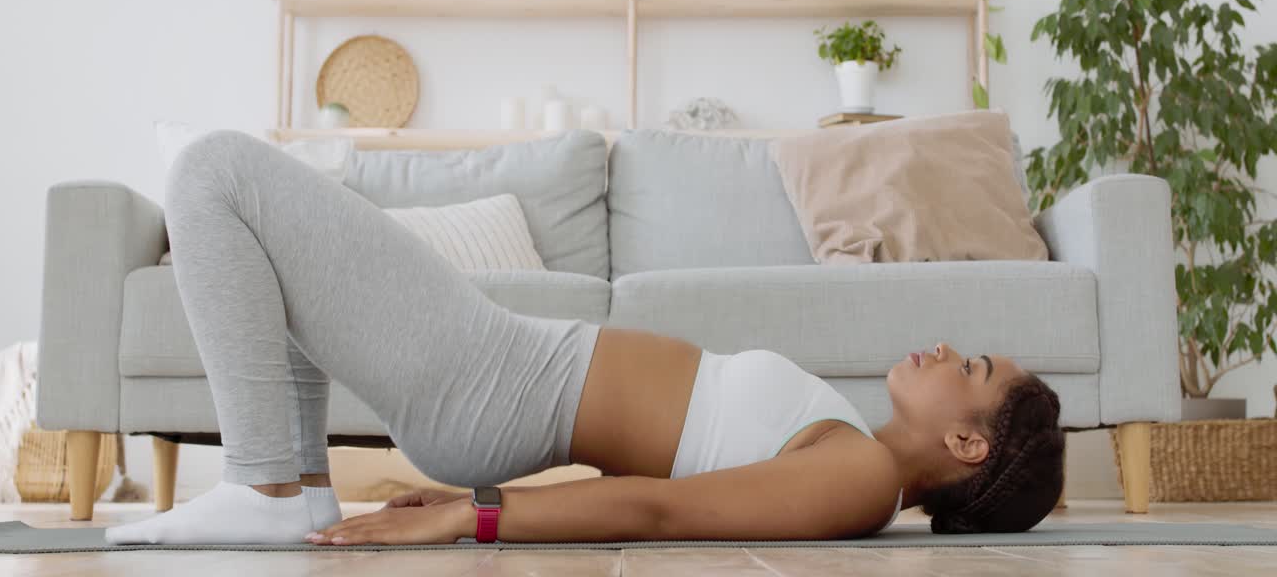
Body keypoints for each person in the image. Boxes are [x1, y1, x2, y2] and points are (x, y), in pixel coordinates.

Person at [103, 130, 1064, 546]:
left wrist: (473, 520)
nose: (945, 348)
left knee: (215, 171)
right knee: (263, 239)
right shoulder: (851, 447)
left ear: (968, 442)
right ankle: (297, 493)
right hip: (497, 368)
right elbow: (665, 468)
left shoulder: (860, 480)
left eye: (970, 367)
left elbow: (663, 515)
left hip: (487, 372)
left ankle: (263, 484)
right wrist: (475, 491)